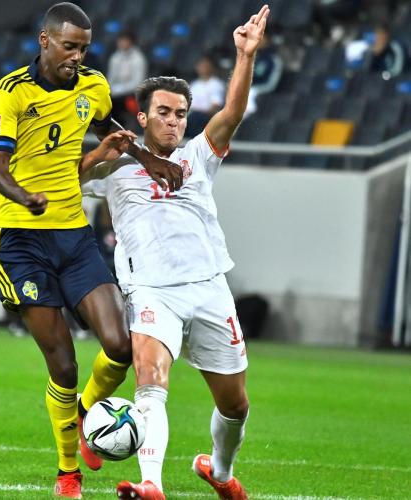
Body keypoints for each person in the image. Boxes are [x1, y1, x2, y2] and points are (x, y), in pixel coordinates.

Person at [0, 2, 182, 498]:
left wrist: (149, 160)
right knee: (64, 365)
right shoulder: (11, 91)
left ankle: (85, 414)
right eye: (69, 46)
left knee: (119, 345)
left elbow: (108, 130)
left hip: (73, 236)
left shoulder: (92, 85)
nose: (77, 56)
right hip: (20, 240)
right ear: (45, 40)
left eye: (84, 48)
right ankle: (68, 471)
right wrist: (24, 196)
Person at [80, 5, 270, 499]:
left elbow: (231, 113)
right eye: (163, 112)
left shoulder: (198, 155)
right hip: (150, 291)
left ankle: (220, 472)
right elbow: (64, 178)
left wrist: (245, 55)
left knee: (235, 404)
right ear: (142, 116)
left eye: (180, 114)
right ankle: (151, 484)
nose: (172, 121)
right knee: (150, 380)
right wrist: (96, 155)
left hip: (208, 288)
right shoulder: (116, 165)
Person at [107, 30, 147, 129]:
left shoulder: (138, 59)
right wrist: (111, 89)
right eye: (121, 40)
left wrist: (120, 89)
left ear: (131, 42)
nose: (122, 43)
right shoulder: (115, 58)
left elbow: (137, 82)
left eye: (125, 40)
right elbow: (111, 78)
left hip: (132, 93)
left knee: (117, 102)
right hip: (115, 92)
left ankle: (122, 127)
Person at [186, 55, 225, 139]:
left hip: (206, 117)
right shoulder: (194, 84)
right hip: (190, 114)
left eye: (206, 66)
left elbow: (215, 106)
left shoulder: (216, 84)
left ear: (212, 68)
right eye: (201, 65)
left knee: (195, 117)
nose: (203, 68)